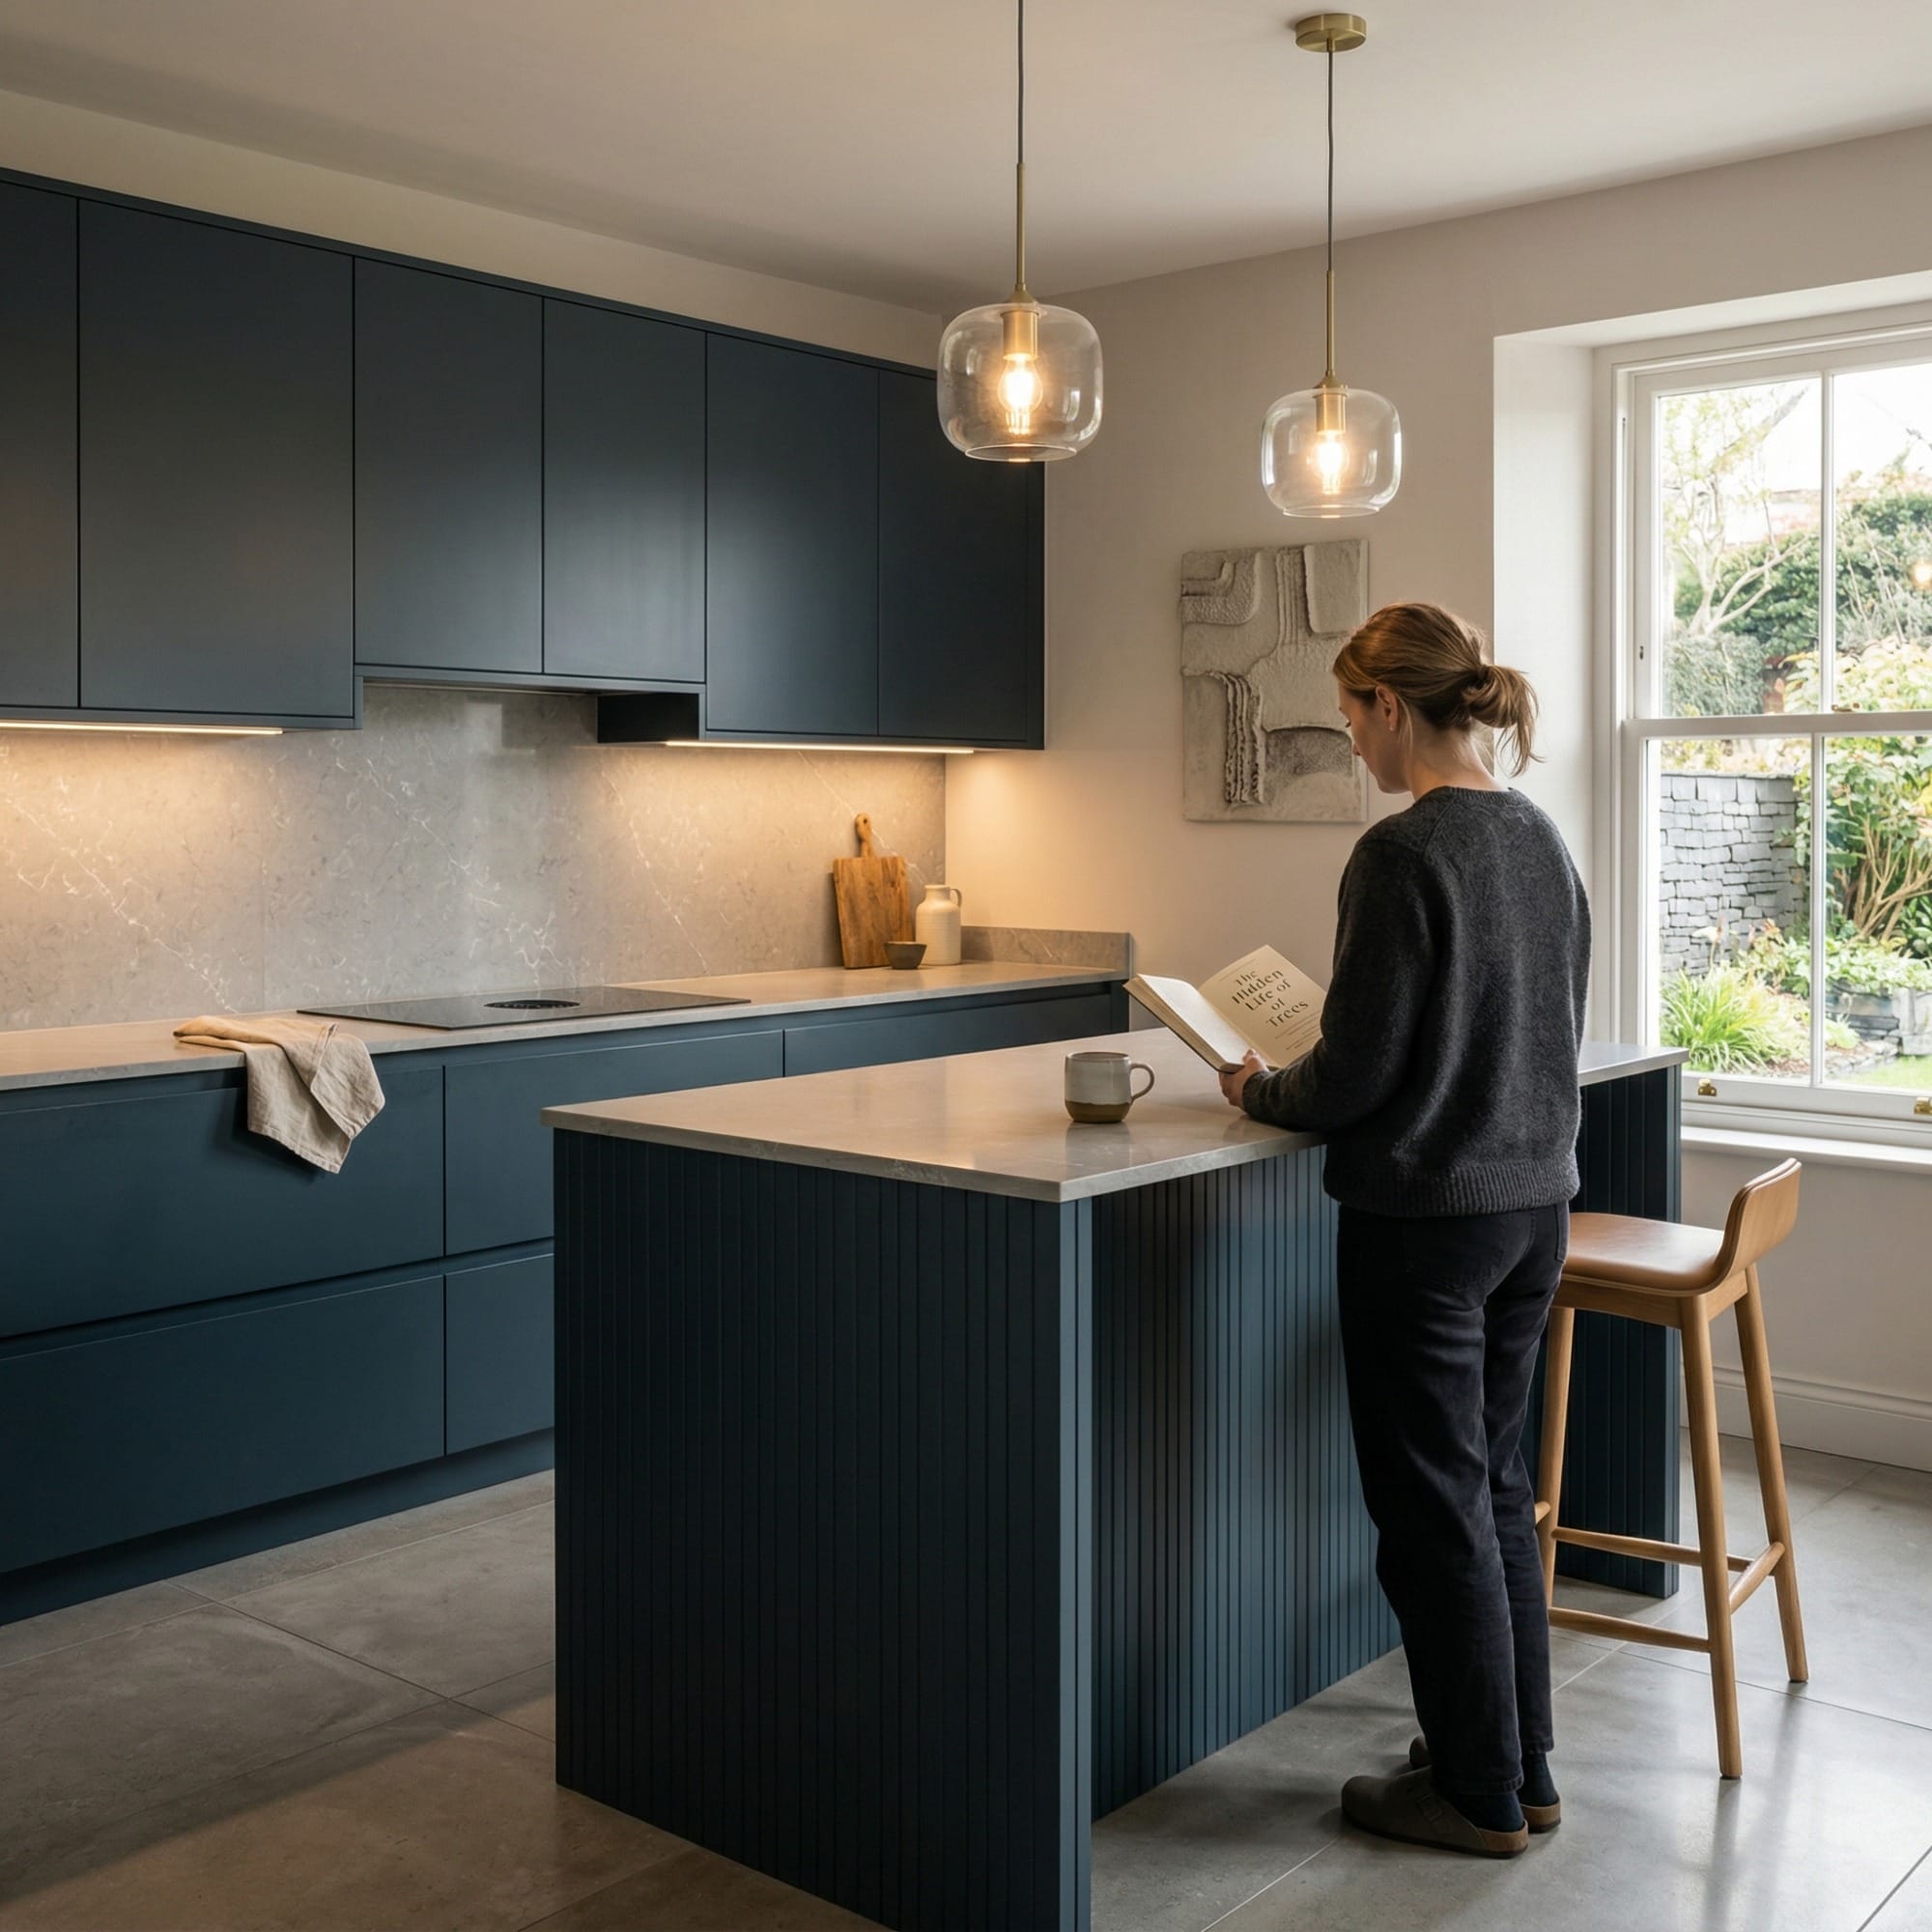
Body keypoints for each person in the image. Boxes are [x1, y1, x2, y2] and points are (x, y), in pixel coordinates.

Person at [1218, 601, 1589, 1860]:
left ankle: (1476, 1793)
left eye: (1348, 714)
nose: (1352, 743)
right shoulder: (1539, 839)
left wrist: (1258, 1091)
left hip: (1425, 1227)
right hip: (1532, 1211)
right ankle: (1517, 1765)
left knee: (1433, 1509)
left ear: (1388, 706)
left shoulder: (1401, 855)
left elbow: (1356, 1073)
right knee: (1489, 1494)